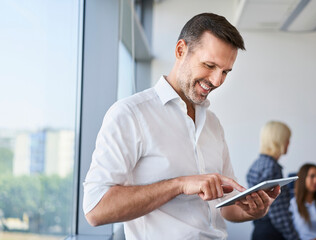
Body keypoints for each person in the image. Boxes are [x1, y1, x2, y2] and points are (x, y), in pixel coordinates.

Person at [83, 13, 281, 239]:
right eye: (209, 65)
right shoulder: (130, 114)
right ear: (180, 50)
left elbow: (226, 207)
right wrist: (180, 184)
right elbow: (95, 210)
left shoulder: (213, 124)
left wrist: (253, 211)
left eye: (225, 72)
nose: (217, 81)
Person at [247, 120, 300, 240]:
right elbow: (278, 214)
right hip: (272, 233)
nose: (289, 143)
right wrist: (294, 237)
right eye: (287, 139)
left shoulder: (256, 164)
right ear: (279, 141)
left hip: (259, 230)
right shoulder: (272, 168)